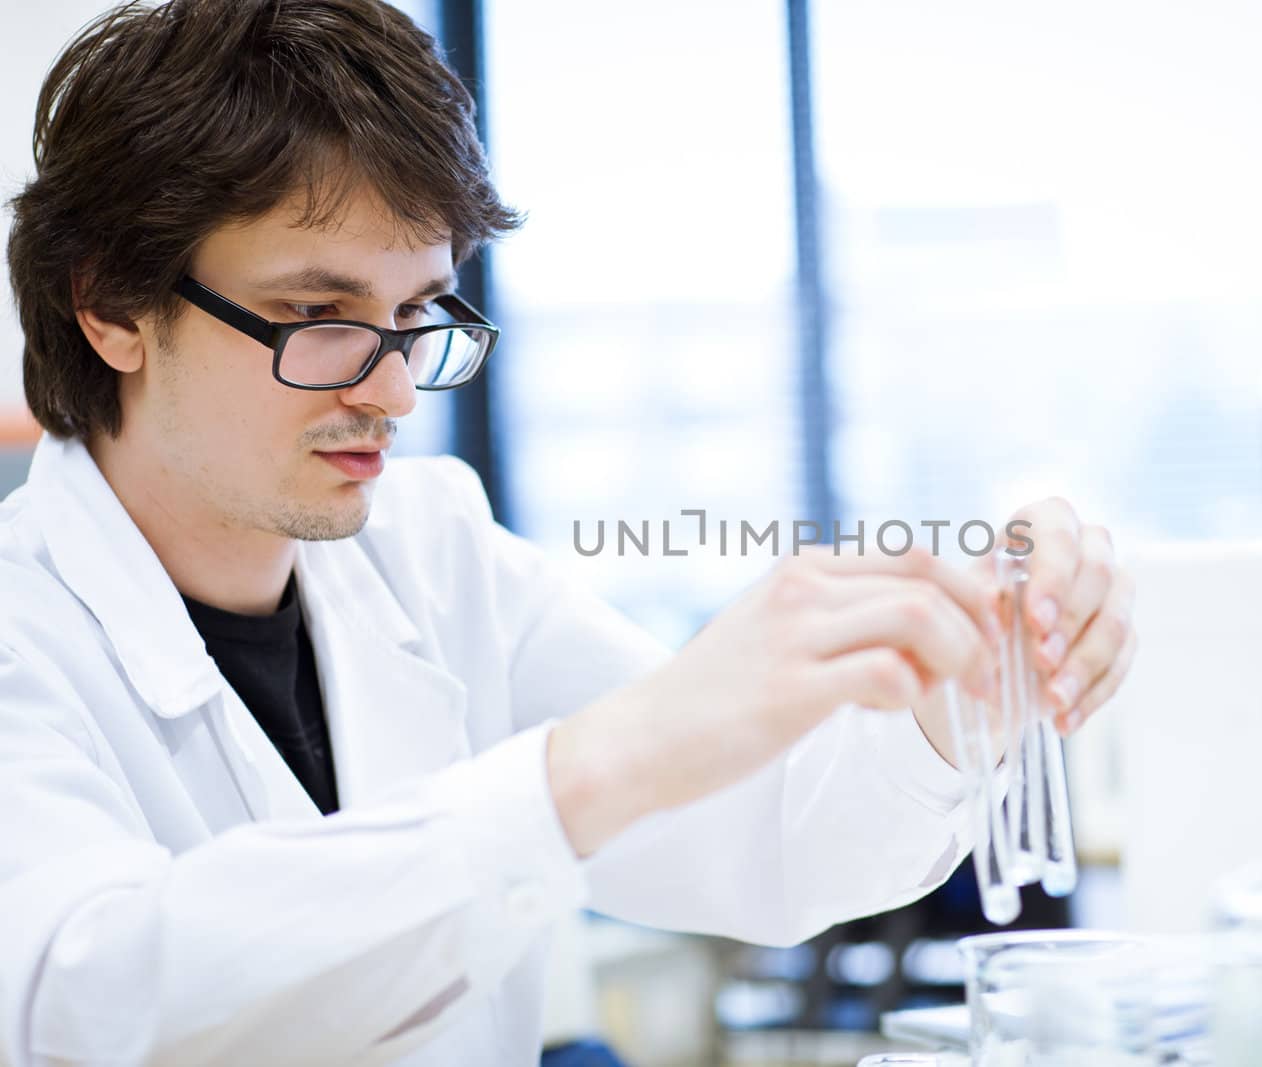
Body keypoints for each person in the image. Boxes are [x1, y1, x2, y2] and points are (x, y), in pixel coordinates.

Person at [0, 1, 1138, 1064]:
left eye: (414, 314)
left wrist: (968, 667)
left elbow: (773, 845)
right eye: (318, 315)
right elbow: (82, 994)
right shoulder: (23, 633)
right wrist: (603, 759)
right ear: (111, 306)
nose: (395, 394)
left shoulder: (434, 549)